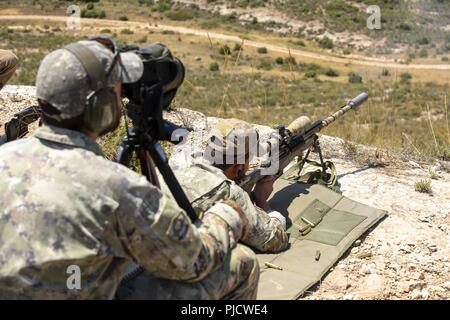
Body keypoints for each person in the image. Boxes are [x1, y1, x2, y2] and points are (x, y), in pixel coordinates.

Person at [0, 38, 259, 299]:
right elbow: (193, 262)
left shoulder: (4, 156)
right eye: (117, 93)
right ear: (100, 107)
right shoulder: (117, 186)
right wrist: (228, 215)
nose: (122, 98)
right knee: (241, 263)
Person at [168, 118, 290, 254]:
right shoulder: (228, 192)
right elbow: (274, 240)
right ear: (238, 168)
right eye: (249, 160)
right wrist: (262, 201)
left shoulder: (178, 160)